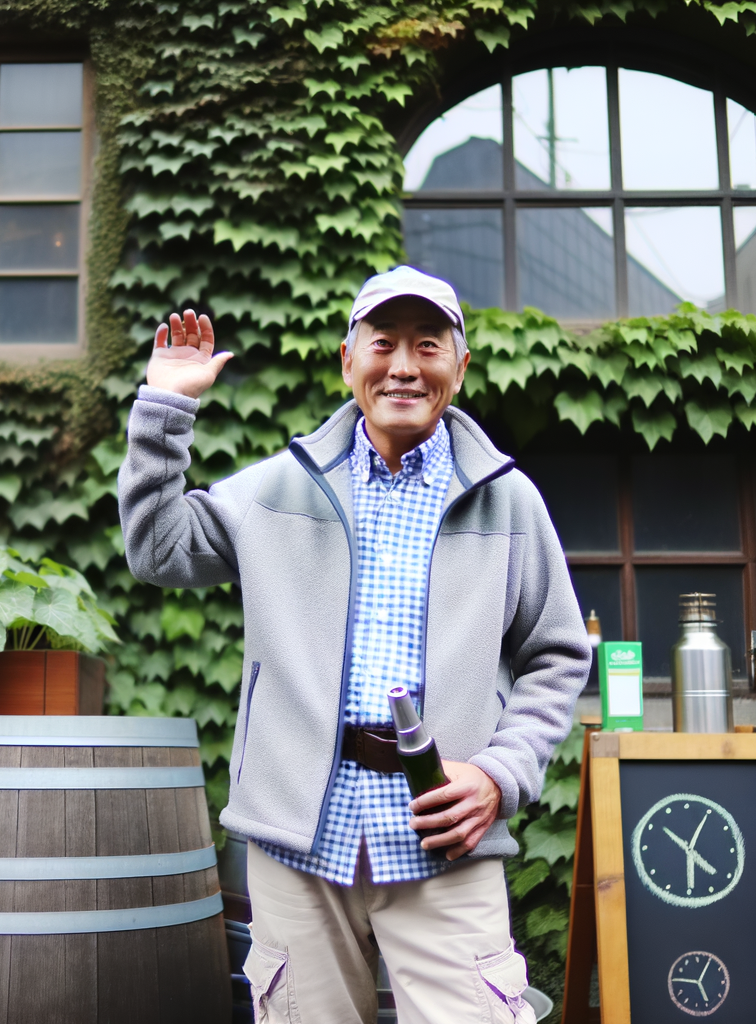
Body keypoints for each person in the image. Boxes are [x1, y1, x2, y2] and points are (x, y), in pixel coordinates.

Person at [118, 265, 591, 1024]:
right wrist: (167, 406)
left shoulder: (509, 500)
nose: (404, 365)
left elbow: (557, 653)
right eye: (384, 343)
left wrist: (501, 776)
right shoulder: (278, 487)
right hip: (300, 842)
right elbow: (158, 549)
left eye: (428, 345)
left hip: (442, 840)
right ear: (349, 361)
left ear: (459, 368)